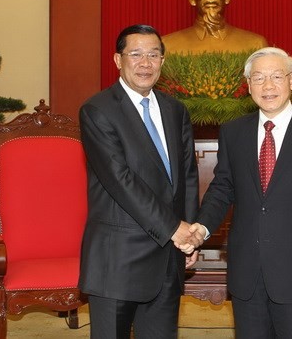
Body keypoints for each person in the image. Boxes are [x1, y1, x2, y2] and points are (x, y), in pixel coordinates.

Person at [187, 47, 292, 338]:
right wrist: (201, 227)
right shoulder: (234, 132)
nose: (268, 86)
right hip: (247, 271)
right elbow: (223, 187)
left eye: (276, 76)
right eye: (258, 78)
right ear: (248, 86)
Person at [78, 24, 201, 339]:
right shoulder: (98, 111)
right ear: (118, 60)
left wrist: (190, 233)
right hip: (119, 258)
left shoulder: (176, 110)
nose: (145, 63)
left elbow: (187, 175)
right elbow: (121, 180)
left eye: (153, 55)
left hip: (169, 257)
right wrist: (176, 229)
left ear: (162, 61)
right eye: (136, 54)